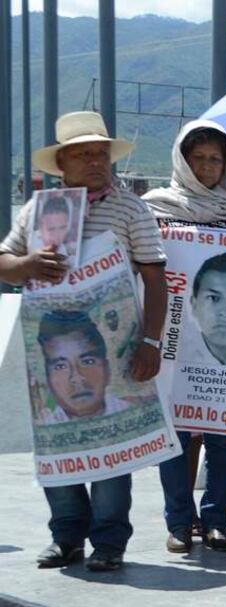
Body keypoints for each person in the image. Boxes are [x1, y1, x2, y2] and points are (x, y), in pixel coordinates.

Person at [0, 111, 168, 572]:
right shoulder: (39, 210)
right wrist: (28, 264)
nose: (95, 161)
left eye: (101, 153)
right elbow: (4, 262)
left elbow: (156, 278)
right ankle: (66, 536)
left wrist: (151, 342)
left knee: (114, 445)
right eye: (83, 154)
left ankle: (109, 542)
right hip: (52, 353)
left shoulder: (131, 208)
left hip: (116, 348)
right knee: (60, 443)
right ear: (62, 163)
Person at [144, 120, 226, 553]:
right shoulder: (155, 209)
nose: (206, 166)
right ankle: (179, 523)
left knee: (223, 435)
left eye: (215, 159)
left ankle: (216, 519)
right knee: (176, 437)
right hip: (172, 343)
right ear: (182, 160)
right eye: (197, 158)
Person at [37, 311, 129, 426]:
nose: (77, 378)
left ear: (107, 370)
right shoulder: (43, 425)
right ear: (48, 380)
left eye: (87, 362)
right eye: (61, 366)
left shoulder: (131, 409)